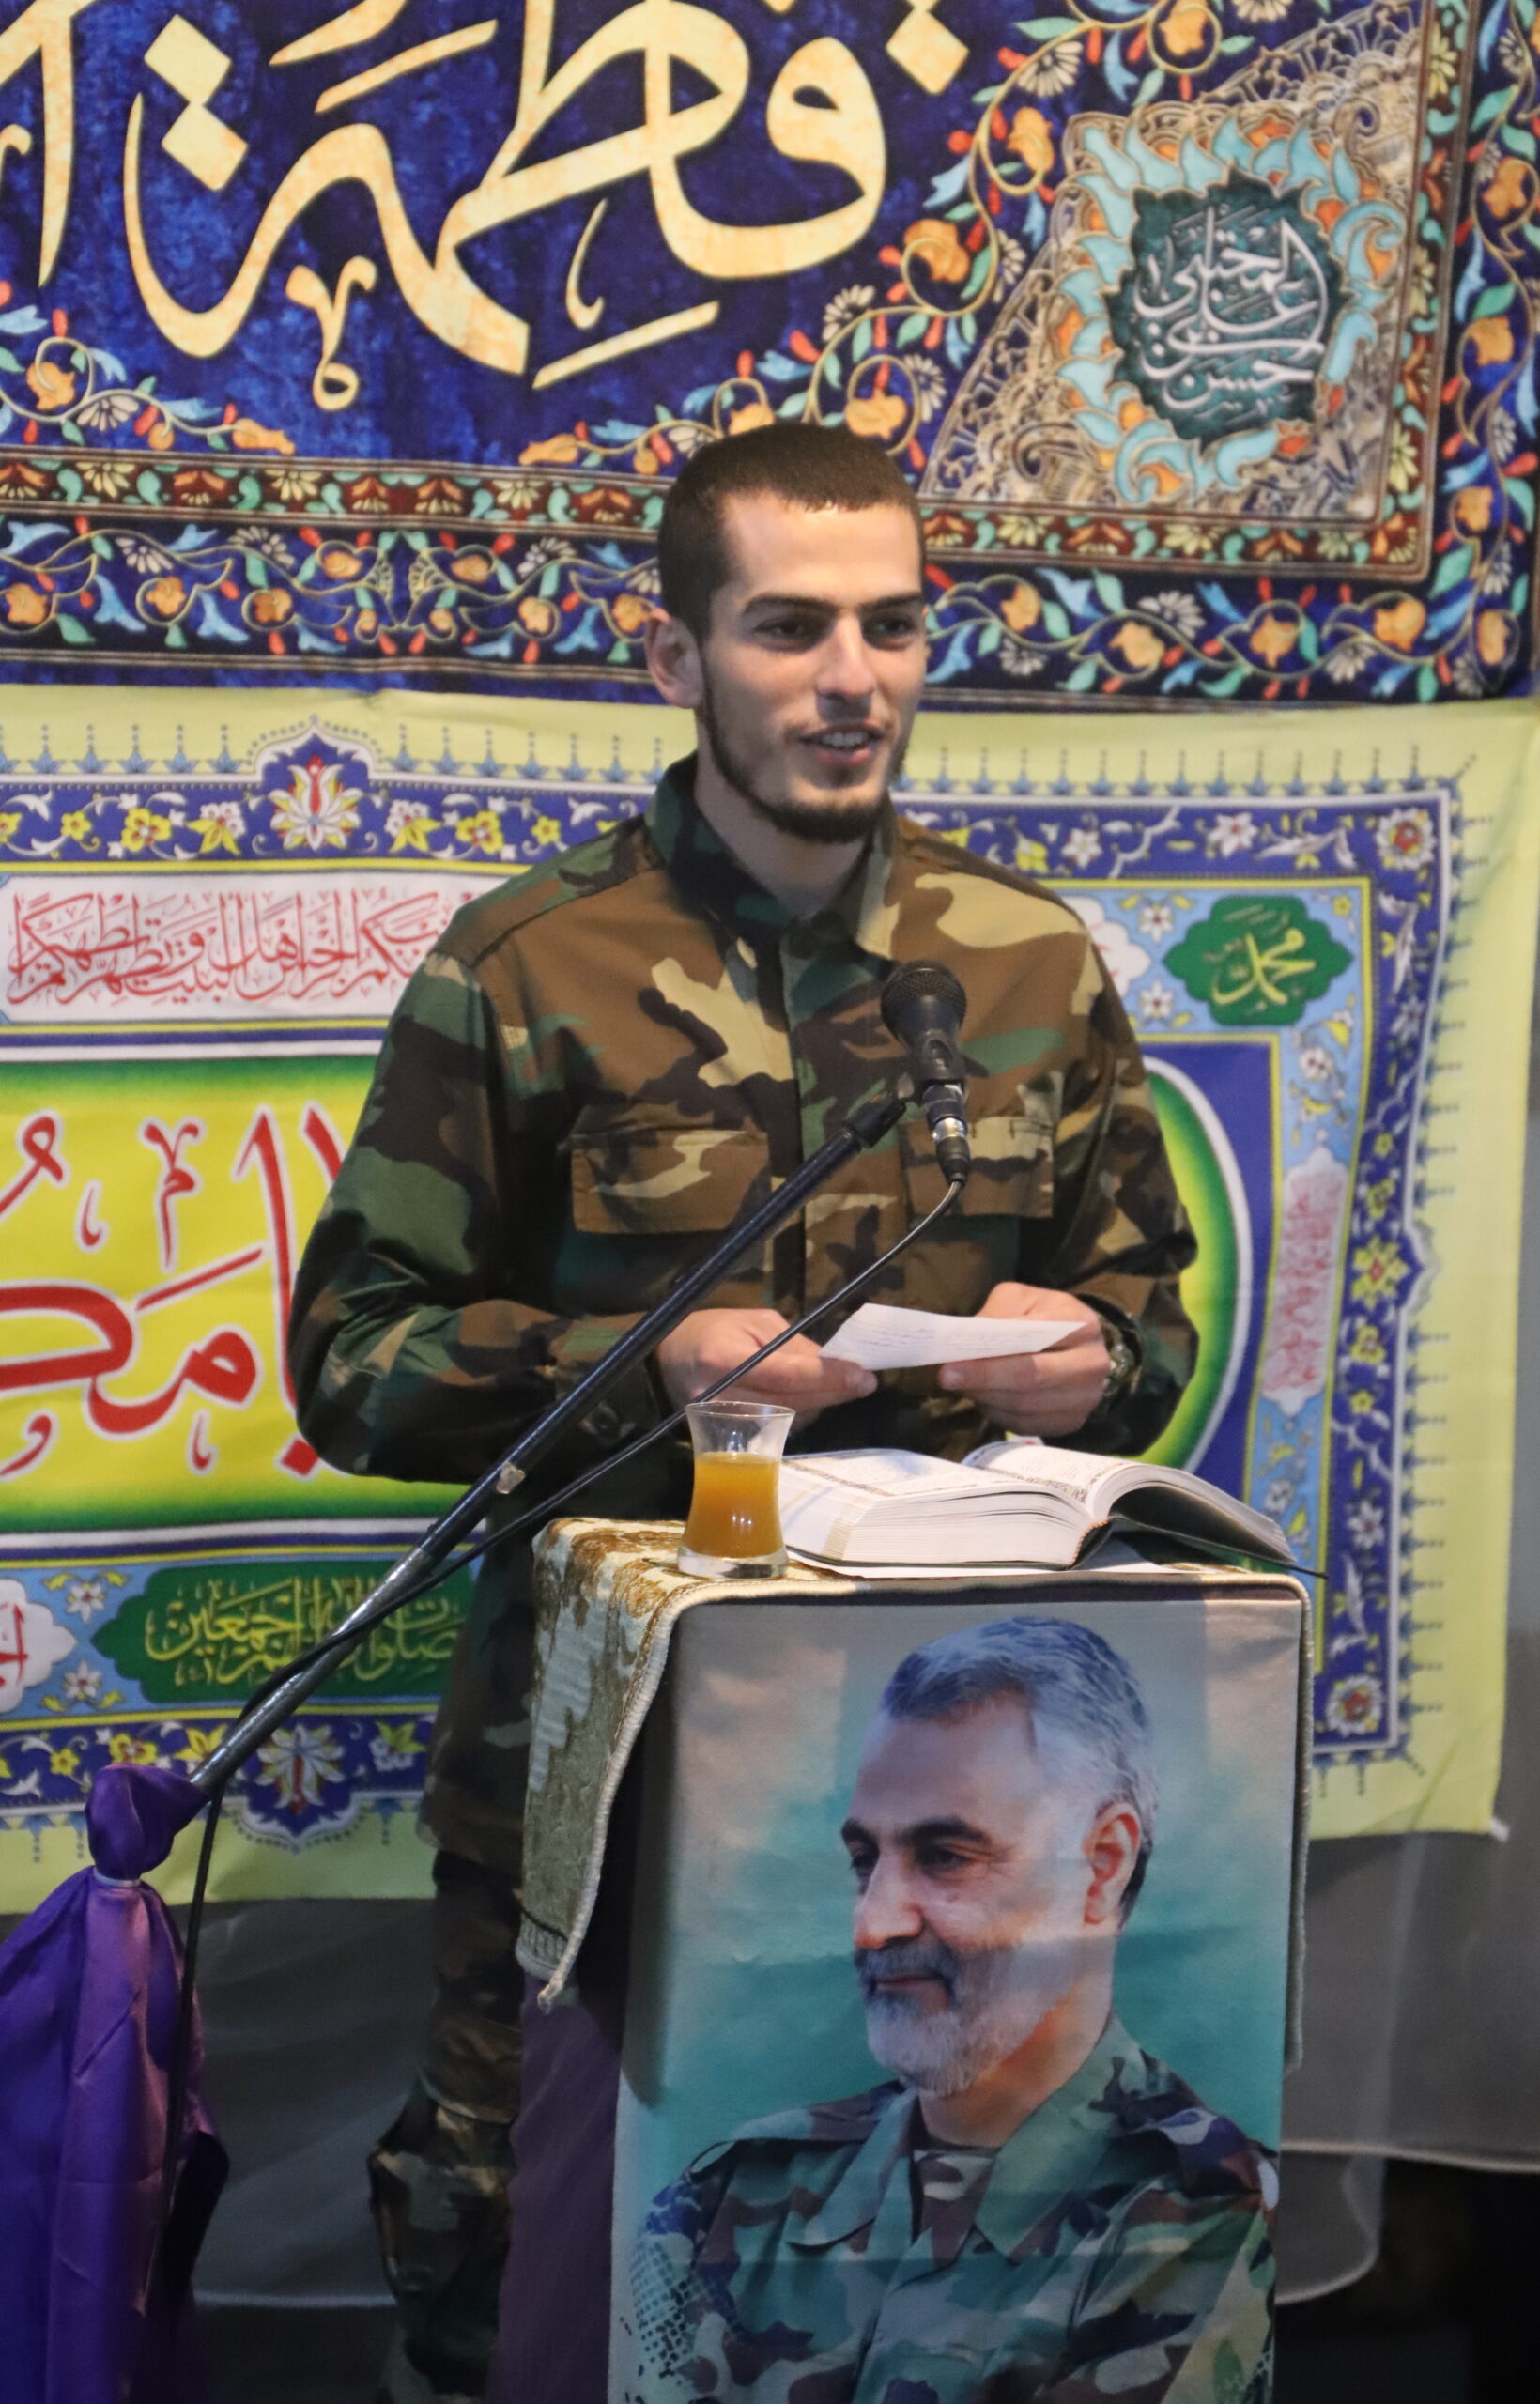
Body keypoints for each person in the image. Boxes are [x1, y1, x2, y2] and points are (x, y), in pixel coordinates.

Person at [287, 424, 1198, 2401]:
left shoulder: (1022, 962)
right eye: (788, 628)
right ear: (674, 657)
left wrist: (1091, 1359)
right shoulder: (530, 966)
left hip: (940, 1802)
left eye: (890, 626)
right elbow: (353, 1357)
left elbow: (1147, 1321)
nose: (850, 679)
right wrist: (643, 1365)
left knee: (909, 2298)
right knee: (519, 2264)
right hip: (597, 1777)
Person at [632, 1618, 1275, 2403]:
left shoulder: (1205, 2212)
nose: (873, 1924)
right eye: (864, 1861)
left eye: (944, 1857)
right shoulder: (730, 2195)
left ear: (1101, 1866)